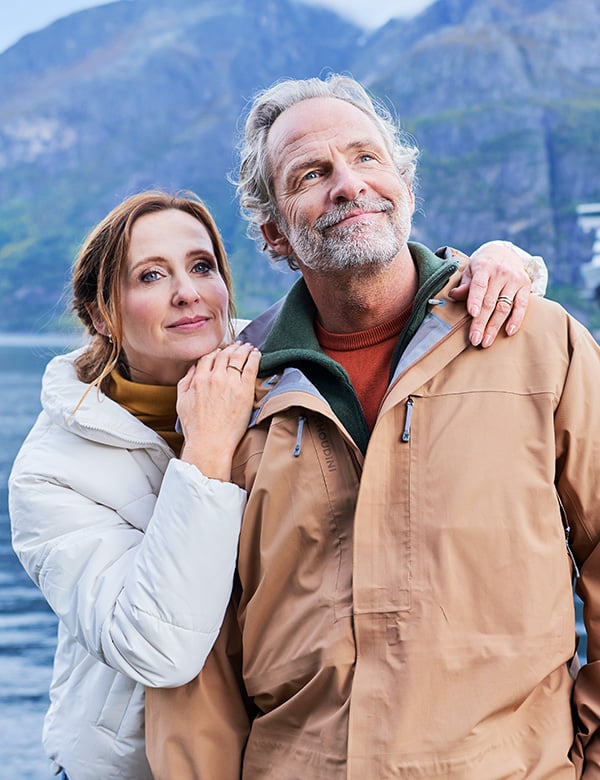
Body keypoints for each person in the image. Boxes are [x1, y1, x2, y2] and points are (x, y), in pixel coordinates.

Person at [145, 75, 600, 779]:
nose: (349, 186)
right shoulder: (230, 398)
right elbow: (200, 657)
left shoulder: (540, 343)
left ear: (405, 187)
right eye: (312, 173)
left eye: (367, 159)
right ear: (273, 232)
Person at [8, 190, 261, 779]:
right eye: (151, 275)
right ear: (100, 313)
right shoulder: (50, 473)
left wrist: (510, 265)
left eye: (202, 267)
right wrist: (205, 448)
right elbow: (156, 649)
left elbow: (401, 314)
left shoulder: (279, 361)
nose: (187, 292)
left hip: (278, 751)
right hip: (130, 768)